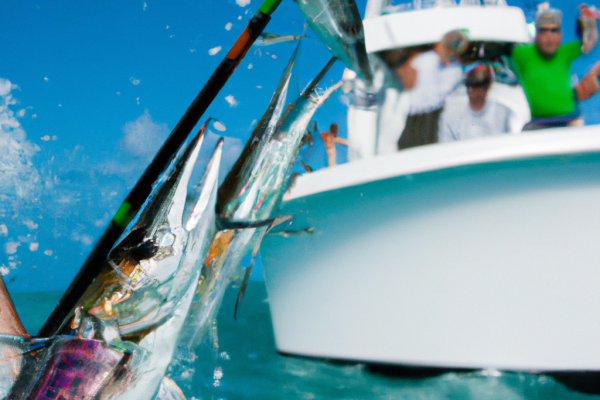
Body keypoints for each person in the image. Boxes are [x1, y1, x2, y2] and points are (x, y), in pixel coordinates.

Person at [510, 7, 599, 128]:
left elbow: (589, 43)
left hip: (568, 120)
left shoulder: (565, 52)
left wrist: (586, 18)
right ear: (536, 33)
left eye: (553, 30)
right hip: (534, 124)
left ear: (560, 34)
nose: (549, 36)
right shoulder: (522, 54)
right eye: (543, 30)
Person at [395, 30, 469, 149]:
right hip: (418, 112)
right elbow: (410, 82)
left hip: (429, 112)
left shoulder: (452, 67)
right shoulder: (430, 60)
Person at [438, 65, 513, 142]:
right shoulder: (450, 115)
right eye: (469, 84)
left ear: (488, 85)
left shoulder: (502, 112)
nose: (471, 89)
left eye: (476, 84)